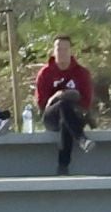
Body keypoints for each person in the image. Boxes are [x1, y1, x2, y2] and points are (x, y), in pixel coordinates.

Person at [34, 34, 95, 176]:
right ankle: (82, 139)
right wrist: (57, 96)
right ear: (53, 51)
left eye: (65, 49)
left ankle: (62, 167)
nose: (61, 53)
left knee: (66, 115)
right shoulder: (45, 73)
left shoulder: (81, 73)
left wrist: (67, 95)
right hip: (51, 116)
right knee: (62, 104)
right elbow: (42, 104)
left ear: (71, 51)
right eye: (58, 49)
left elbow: (86, 102)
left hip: (75, 115)